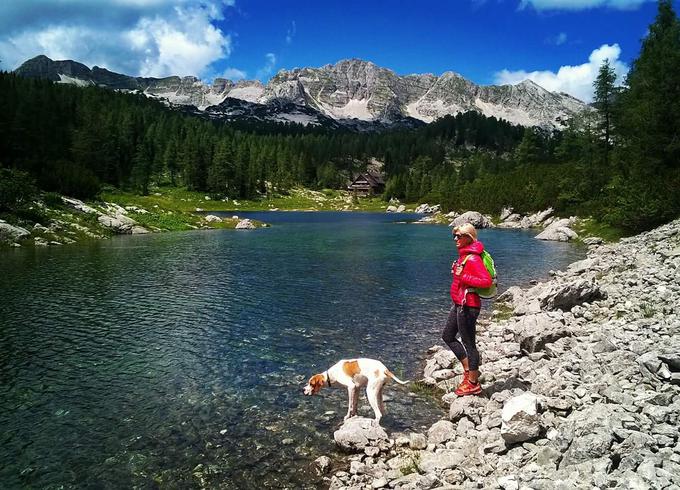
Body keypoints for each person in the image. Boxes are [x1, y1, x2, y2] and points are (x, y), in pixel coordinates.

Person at [442, 223, 492, 396]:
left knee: (469, 343)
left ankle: (473, 382)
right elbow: (463, 277)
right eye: (454, 236)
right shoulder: (464, 257)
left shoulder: (473, 258)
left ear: (468, 238)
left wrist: (462, 275)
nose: (455, 239)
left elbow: (486, 281)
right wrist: (458, 271)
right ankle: (468, 369)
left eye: (459, 236)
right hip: (459, 304)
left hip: (468, 306)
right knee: (447, 336)